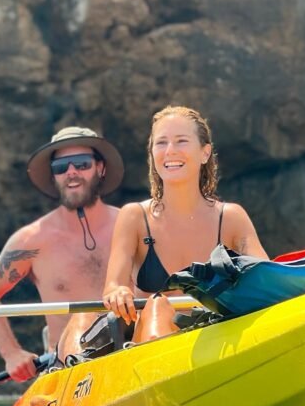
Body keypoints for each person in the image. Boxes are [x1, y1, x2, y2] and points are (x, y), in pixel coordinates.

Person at [0, 126, 125, 381]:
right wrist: (12, 354)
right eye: (61, 167)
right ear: (54, 177)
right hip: (70, 369)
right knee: (82, 318)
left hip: (133, 354)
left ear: (101, 168)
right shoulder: (32, 241)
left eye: (82, 163)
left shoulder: (133, 225)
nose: (72, 172)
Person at [103, 105, 267, 340]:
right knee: (158, 305)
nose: (170, 151)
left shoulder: (231, 218)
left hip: (219, 338)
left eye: (181, 141)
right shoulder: (134, 217)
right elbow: (112, 286)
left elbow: (266, 278)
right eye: (161, 143)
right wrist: (118, 292)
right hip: (151, 344)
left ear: (205, 153)